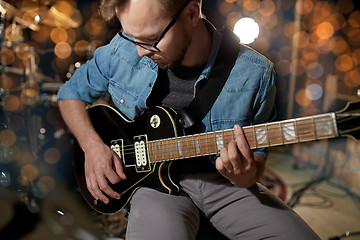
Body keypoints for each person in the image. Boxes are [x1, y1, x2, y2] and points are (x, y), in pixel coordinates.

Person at [57, 0, 320, 239]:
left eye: (150, 39)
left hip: (223, 185)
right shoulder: (122, 50)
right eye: (132, 36)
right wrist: (92, 146)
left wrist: (245, 173)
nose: (139, 52)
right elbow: (69, 95)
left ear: (192, 12)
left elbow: (256, 162)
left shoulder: (255, 74)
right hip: (153, 187)